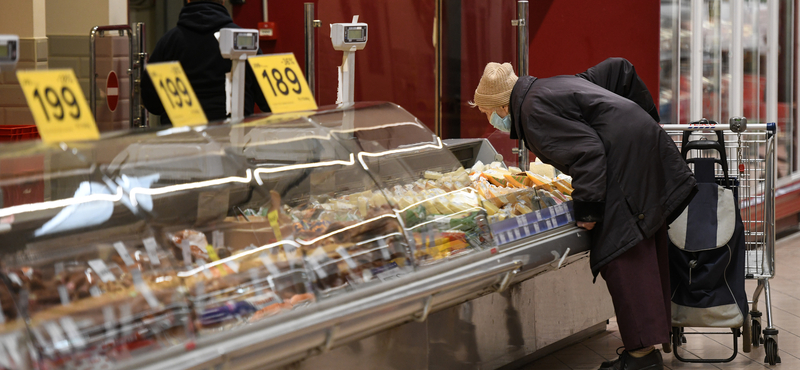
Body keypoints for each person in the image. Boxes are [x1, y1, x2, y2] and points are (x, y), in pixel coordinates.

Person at [471, 58, 697, 370]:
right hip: (637, 157)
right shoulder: (547, 87)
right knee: (641, 251)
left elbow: (587, 152)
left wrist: (588, 209)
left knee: (622, 254)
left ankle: (642, 357)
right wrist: (647, 121)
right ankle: (645, 350)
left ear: (501, 107)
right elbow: (620, 69)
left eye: (487, 112)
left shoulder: (532, 111)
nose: (490, 119)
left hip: (625, 166)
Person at [141, 0, 269, 125]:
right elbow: (268, 101)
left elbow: (152, 104)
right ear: (223, 1)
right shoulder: (244, 41)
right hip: (233, 138)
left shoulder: (167, 43)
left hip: (180, 139)